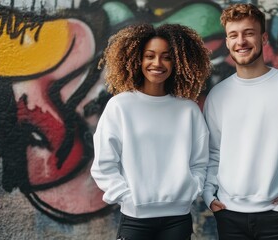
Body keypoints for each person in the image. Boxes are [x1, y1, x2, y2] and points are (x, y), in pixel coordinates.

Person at [202, 3, 278, 240]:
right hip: (229, 215)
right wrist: (209, 195)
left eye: (249, 33)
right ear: (227, 42)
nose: (241, 41)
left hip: (277, 216)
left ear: (264, 38)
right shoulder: (217, 95)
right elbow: (214, 153)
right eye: (233, 35)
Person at [91, 23, 212, 240]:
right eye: (150, 56)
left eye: (166, 57)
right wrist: (127, 198)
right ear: (138, 59)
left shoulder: (188, 110)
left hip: (178, 219)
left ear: (177, 62)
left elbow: (200, 162)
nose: (157, 63)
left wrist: (190, 191)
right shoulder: (120, 106)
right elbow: (104, 165)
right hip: (135, 220)